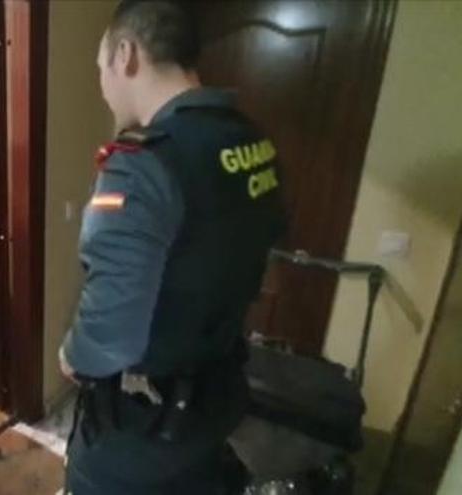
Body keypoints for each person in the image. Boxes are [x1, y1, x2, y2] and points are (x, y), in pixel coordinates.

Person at [59, 1, 286, 493]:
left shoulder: (143, 163)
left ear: (126, 55)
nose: (103, 84)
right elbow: (265, 272)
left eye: (101, 68)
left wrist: (71, 354)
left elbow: (109, 337)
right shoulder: (251, 142)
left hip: (140, 431)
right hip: (214, 402)